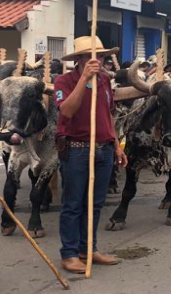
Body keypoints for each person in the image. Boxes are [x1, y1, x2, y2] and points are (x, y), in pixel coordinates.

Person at [55, 36, 128, 274]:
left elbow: (108, 115)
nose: (98, 61)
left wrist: (116, 145)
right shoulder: (64, 81)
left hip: (104, 149)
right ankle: (69, 253)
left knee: (95, 204)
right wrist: (85, 79)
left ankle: (89, 249)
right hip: (77, 149)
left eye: (102, 56)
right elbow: (66, 110)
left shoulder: (105, 80)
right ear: (79, 59)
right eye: (91, 57)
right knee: (73, 204)